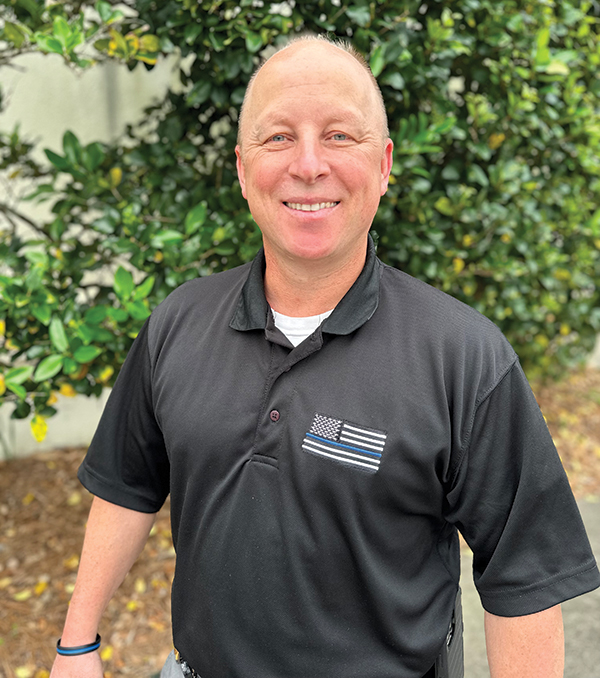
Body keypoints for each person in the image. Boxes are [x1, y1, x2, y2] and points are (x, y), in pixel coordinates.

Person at [50, 36, 599, 678]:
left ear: (385, 164)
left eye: (339, 135)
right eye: (279, 137)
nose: (309, 165)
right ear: (242, 168)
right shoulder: (178, 322)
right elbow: (128, 487)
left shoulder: (465, 358)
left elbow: (524, 581)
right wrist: (76, 644)